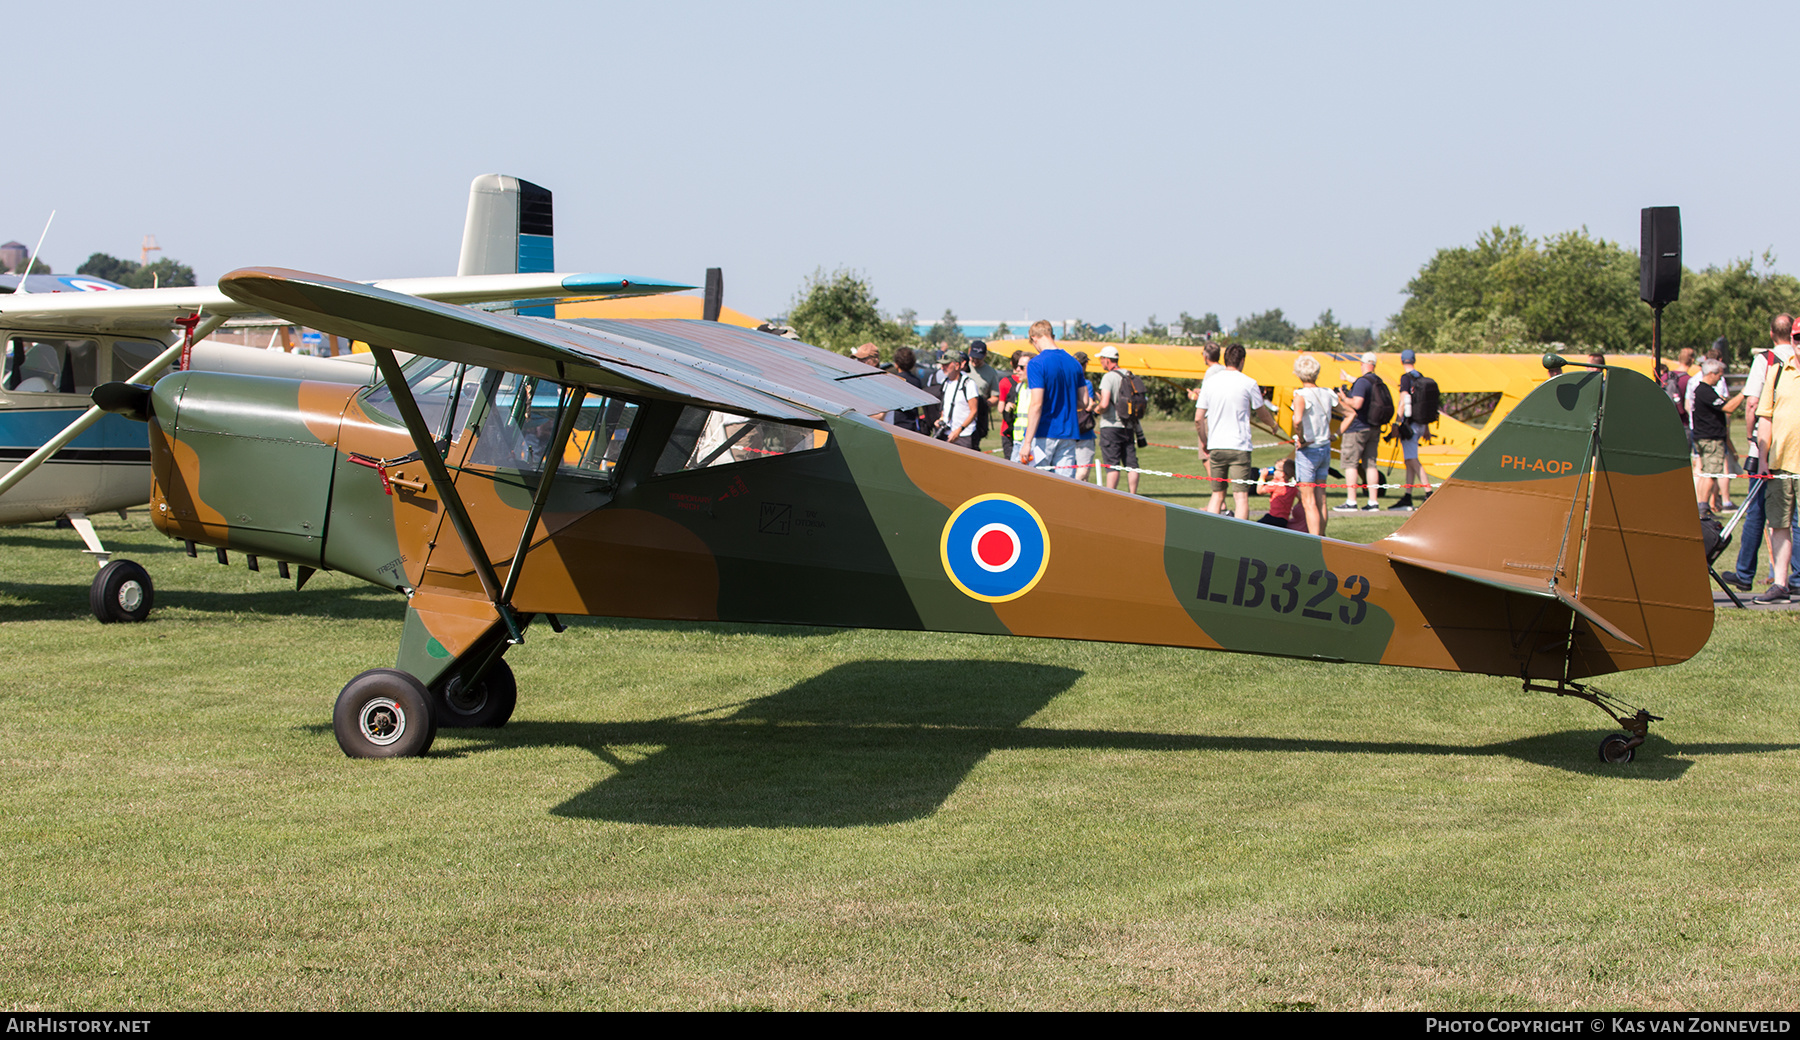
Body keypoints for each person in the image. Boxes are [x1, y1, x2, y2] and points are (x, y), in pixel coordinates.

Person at [1728, 315, 1799, 593]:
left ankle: (1745, 573)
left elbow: (1751, 405)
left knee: (1759, 513)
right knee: (1780, 519)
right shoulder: (1779, 367)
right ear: (1790, 336)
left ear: (1771, 333)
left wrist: (1751, 440)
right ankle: (1785, 581)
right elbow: (1763, 409)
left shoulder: (1765, 359)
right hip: (1777, 457)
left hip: (1767, 452)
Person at [1195, 343, 1279, 519]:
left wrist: (1204, 441)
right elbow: (1261, 411)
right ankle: (1240, 538)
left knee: (1217, 494)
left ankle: (1211, 534)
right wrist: (1273, 425)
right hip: (1240, 446)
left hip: (1216, 445)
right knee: (1241, 496)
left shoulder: (1210, 383)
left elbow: (1198, 418)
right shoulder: (1249, 383)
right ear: (1242, 361)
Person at [1754, 340, 1800, 602]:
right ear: (1792, 341)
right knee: (1779, 524)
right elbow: (1765, 416)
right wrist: (1763, 458)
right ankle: (1780, 584)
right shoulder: (1778, 371)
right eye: (1798, 338)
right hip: (1780, 463)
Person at [1018, 320, 1090, 477]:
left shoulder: (1036, 363)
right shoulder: (1074, 363)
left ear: (1034, 338)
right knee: (1064, 487)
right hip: (1069, 434)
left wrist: (1027, 442)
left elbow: (1036, 404)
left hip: (1043, 434)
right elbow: (1085, 402)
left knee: (1037, 484)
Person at [1333, 352, 1387, 512]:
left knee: (1351, 464)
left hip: (1357, 428)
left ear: (1362, 364)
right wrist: (1348, 378)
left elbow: (1357, 403)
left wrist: (1343, 397)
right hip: (1374, 428)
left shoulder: (1362, 383)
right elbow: (1361, 385)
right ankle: (1373, 502)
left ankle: (1351, 501)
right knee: (1371, 465)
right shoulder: (1377, 381)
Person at [1289, 353, 1335, 536]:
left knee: (1308, 502)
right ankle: (1323, 537)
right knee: (1321, 499)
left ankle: (1314, 541)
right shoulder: (1327, 393)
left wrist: (1300, 438)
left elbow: (1297, 421)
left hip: (1309, 450)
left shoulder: (1300, 395)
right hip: (1325, 447)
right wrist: (1336, 434)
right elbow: (1350, 413)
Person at [1691, 358, 1738, 509]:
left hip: (1704, 437)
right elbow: (1728, 408)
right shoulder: (1705, 391)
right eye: (1719, 375)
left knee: (1706, 473)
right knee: (1711, 475)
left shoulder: (1704, 391)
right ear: (1711, 373)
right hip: (1710, 439)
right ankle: (1703, 508)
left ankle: (1701, 506)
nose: (1720, 378)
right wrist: (1745, 393)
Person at [1092, 345, 1140, 494]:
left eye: (1101, 359)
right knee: (1131, 463)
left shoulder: (1108, 377)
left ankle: (1111, 495)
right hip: (1128, 425)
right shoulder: (1129, 374)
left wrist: (1096, 409)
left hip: (1110, 425)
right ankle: (1133, 495)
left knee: (1112, 464)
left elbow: (1105, 403)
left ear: (1107, 360)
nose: (1101, 362)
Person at [1393, 349, 1428, 511]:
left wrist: (1396, 423)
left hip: (1410, 425)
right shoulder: (1420, 377)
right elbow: (1423, 405)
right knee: (1408, 461)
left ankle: (1428, 492)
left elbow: (1403, 401)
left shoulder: (1405, 378)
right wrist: (1426, 427)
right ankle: (1407, 496)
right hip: (1421, 424)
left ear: (1402, 361)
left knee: (1413, 460)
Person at [933, 349, 982, 450]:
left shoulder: (968, 384)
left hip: (964, 436)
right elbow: (945, 406)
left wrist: (959, 430)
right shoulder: (945, 383)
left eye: (946, 364)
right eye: (942, 365)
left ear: (957, 365)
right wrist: (941, 420)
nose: (943, 367)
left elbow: (974, 411)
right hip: (946, 433)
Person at [1184, 342, 1224, 461]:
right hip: (1222, 416)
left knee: (1206, 458)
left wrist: (1193, 396)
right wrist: (1201, 391)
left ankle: (1214, 480)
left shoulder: (1210, 372)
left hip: (1209, 419)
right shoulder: (1224, 369)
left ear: (1206, 356)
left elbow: (1206, 400)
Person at [997, 350, 1033, 460]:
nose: (1017, 370)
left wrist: (1028, 442)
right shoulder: (1019, 388)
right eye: (1017, 366)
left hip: (1030, 441)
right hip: (1017, 438)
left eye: (1022, 367)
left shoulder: (1038, 389)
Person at [965, 341, 1000, 454]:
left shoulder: (991, 372)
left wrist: (984, 403)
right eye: (973, 357)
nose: (975, 360)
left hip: (978, 415)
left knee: (973, 447)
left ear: (985, 355)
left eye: (978, 358)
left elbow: (995, 397)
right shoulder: (962, 367)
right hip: (961, 411)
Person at [1071, 350, 1098, 482]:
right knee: (1083, 472)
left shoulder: (1067, 382)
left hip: (1069, 431)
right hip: (1084, 432)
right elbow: (1088, 405)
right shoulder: (1086, 383)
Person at [888, 346, 926, 433]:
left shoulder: (893, 380)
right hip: (912, 425)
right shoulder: (916, 381)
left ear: (896, 363)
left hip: (896, 424)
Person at [1255, 459, 1298, 528]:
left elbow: (1259, 491)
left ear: (1282, 474)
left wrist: (1262, 477)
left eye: (1275, 469)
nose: (1274, 472)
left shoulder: (1275, 483)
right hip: (1284, 520)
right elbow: (1301, 497)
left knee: (1255, 527)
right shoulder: (1292, 487)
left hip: (1273, 517)